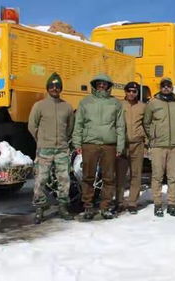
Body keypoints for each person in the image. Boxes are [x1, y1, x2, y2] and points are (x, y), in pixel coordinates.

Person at [72, 74, 125, 220]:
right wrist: (77, 142)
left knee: (109, 178)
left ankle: (105, 206)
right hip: (90, 143)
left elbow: (120, 126)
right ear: (95, 85)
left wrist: (120, 145)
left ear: (109, 86)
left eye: (105, 84)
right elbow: (79, 124)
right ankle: (88, 206)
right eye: (99, 83)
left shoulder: (115, 103)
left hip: (109, 144)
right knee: (88, 177)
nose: (102, 86)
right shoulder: (85, 102)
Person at [28, 72, 75, 224]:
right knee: (40, 180)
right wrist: (41, 140)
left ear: (60, 89)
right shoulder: (39, 106)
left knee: (64, 180)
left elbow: (70, 127)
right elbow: (32, 126)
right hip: (44, 150)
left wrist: (64, 140)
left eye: (57, 86)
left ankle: (63, 207)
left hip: (61, 150)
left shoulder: (67, 107)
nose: (55, 89)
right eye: (52, 86)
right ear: (47, 88)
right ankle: (40, 208)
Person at [143, 78, 175, 217]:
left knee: (173, 176)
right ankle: (158, 204)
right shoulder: (153, 103)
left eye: (169, 86)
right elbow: (147, 122)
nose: (166, 88)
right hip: (158, 146)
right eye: (164, 86)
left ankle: (172, 204)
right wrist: (153, 136)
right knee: (157, 176)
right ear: (160, 87)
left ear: (171, 87)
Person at [115, 82, 146, 214]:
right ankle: (119, 201)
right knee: (120, 175)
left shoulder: (143, 107)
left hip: (137, 144)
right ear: (125, 92)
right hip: (122, 144)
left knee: (136, 174)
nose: (132, 94)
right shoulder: (119, 105)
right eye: (129, 91)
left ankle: (133, 202)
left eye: (134, 91)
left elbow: (147, 123)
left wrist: (146, 139)